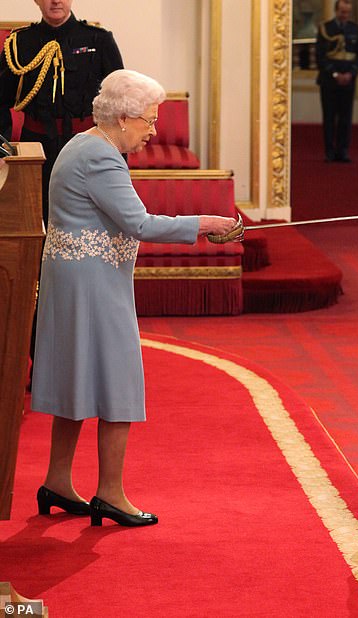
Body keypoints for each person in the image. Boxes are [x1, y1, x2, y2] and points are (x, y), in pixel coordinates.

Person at [31, 69, 241, 527]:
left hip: (77, 279)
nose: (152, 131)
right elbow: (140, 224)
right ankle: (109, 493)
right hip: (93, 285)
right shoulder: (102, 158)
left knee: (77, 380)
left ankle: (58, 481)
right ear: (123, 118)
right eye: (147, 121)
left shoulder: (82, 144)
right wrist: (204, 223)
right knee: (116, 379)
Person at [0, 0, 124, 225]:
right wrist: (2, 148)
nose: (56, 0)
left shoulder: (99, 40)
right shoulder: (19, 43)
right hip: (37, 150)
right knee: (37, 221)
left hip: (87, 147)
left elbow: (119, 102)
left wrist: (117, 154)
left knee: (90, 219)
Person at [315, 0, 358, 163]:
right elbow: (320, 56)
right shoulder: (325, 28)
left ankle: (343, 151)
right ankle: (329, 151)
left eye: (347, 12)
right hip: (329, 81)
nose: (345, 15)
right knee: (329, 118)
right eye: (342, 12)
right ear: (336, 11)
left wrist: (351, 73)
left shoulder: (354, 29)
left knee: (345, 118)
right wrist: (335, 74)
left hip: (349, 80)